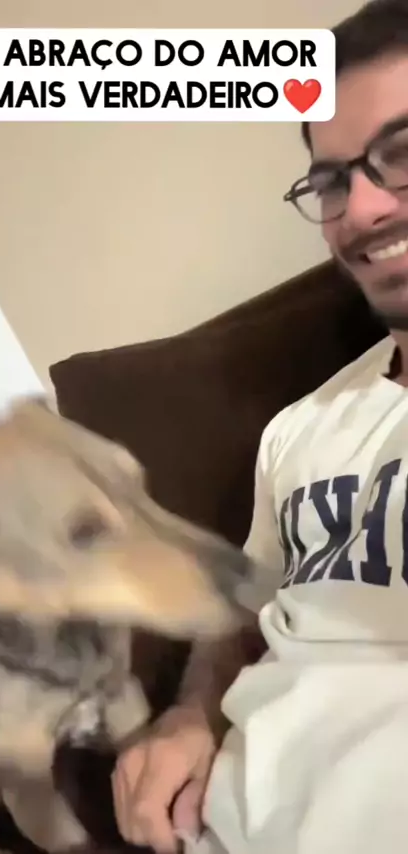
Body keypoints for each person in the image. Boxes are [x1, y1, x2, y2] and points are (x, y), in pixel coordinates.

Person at [111, 1, 408, 851]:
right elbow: (248, 612)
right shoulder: (295, 431)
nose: (360, 210)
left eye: (402, 155)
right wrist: (190, 716)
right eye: (332, 181)